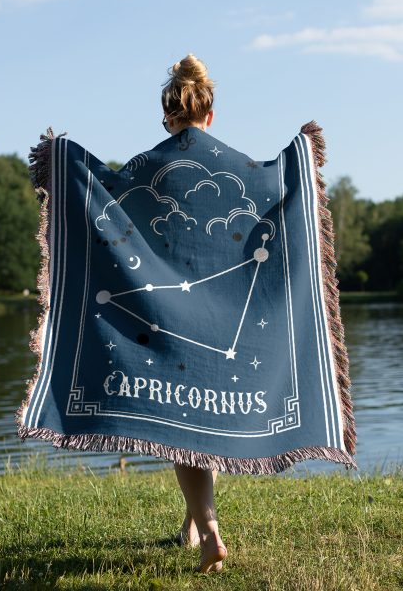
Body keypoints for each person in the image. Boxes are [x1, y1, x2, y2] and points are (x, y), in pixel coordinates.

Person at [161, 53, 227, 574]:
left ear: (169, 117)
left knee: (181, 426)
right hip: (224, 317)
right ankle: (190, 524)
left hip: (171, 313)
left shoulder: (153, 165)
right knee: (205, 418)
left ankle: (209, 532)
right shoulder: (237, 167)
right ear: (209, 114)